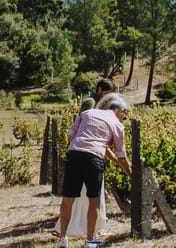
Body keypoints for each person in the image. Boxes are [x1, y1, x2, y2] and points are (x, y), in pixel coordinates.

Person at [56, 93, 132, 248]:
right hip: (93, 161)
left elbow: (71, 136)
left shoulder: (87, 113)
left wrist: (84, 149)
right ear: (119, 110)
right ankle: (90, 241)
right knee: (94, 202)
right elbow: (121, 156)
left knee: (67, 200)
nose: (126, 118)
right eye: (126, 114)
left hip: (74, 155)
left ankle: (62, 240)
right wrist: (131, 173)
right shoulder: (117, 125)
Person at [55, 79, 116, 239]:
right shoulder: (90, 103)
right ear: (99, 90)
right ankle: (84, 233)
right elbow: (79, 128)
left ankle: (92, 230)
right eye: (108, 94)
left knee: (91, 199)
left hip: (90, 154)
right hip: (85, 155)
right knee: (85, 199)